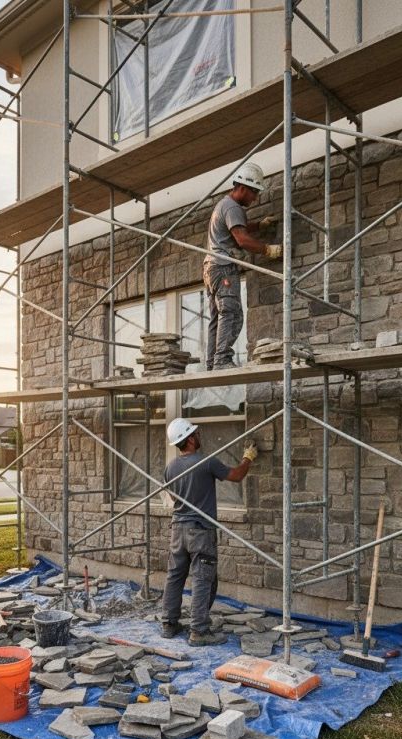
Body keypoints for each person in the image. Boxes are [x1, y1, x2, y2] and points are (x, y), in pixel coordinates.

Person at [161, 417, 257, 646]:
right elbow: (236, 475)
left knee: (175, 577)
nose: (199, 435)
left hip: (178, 529)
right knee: (203, 580)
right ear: (190, 439)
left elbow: (174, 497)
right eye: (196, 433)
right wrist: (248, 458)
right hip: (200, 532)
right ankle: (199, 631)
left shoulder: (170, 467)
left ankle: (169, 624)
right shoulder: (206, 463)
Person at [203, 162, 282, 370]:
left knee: (217, 317)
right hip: (223, 267)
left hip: (211, 268)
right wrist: (268, 250)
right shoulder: (232, 207)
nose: (255, 198)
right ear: (242, 188)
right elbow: (242, 239)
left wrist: (259, 225)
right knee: (232, 313)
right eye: (253, 192)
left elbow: (241, 227)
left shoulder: (225, 206)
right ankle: (222, 360)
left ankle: (213, 361)